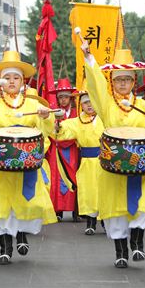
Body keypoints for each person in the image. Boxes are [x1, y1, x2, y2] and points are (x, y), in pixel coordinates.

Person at [0, 50, 57, 265]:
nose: (11, 81)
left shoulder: (33, 104)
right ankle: (5, 247)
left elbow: (47, 129)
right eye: (7, 77)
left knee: (24, 201)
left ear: (22, 81)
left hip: (26, 163)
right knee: (2, 203)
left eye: (16, 77)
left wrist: (45, 116)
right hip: (0, 163)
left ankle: (23, 236)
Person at [81, 46, 145, 269]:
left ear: (133, 81)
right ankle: (120, 252)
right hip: (114, 166)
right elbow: (96, 86)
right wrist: (90, 58)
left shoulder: (144, 106)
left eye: (127, 80)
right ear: (112, 82)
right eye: (118, 80)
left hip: (140, 167)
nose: (122, 84)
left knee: (141, 207)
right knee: (116, 211)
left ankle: (138, 244)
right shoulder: (106, 104)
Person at [55, 85, 105, 235]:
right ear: (80, 105)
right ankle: (90, 223)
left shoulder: (105, 117)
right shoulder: (77, 121)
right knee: (88, 192)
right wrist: (57, 126)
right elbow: (64, 129)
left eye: (92, 101)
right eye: (85, 102)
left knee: (104, 191)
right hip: (87, 162)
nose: (89, 105)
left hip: (104, 162)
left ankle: (105, 221)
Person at [48, 78, 79, 220]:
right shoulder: (53, 113)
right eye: (60, 97)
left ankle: (75, 211)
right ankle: (58, 210)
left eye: (66, 97)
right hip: (57, 149)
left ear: (70, 98)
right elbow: (49, 131)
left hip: (72, 150)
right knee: (56, 178)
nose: (63, 100)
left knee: (73, 178)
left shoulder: (76, 114)